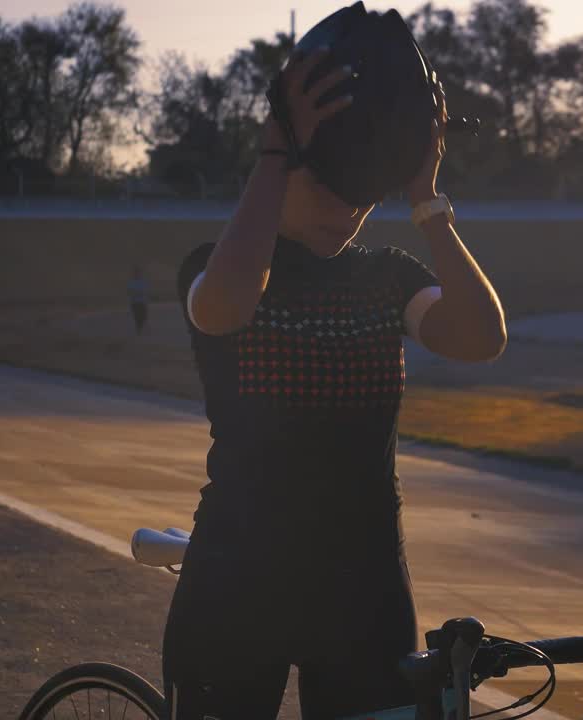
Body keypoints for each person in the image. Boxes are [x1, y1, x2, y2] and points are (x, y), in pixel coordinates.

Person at [162, 26, 507, 720]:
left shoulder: (386, 279)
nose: (347, 210)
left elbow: (481, 336)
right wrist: (274, 150)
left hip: (365, 589)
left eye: (365, 193)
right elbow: (226, 308)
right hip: (238, 580)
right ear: (285, 163)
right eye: (327, 183)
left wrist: (424, 197)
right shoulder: (217, 266)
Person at [128, 264, 150, 334]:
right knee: (137, 317)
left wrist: (146, 299)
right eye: (136, 273)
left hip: (142, 302)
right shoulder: (131, 282)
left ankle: (140, 328)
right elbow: (130, 292)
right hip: (135, 303)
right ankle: (139, 329)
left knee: (143, 316)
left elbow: (146, 292)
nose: (138, 274)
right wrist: (136, 293)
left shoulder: (143, 282)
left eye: (139, 273)